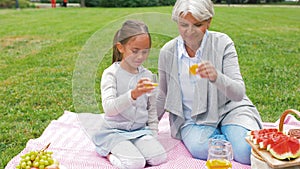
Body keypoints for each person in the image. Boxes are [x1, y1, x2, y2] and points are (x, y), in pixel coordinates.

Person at [156, 0, 263, 165]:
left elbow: (238, 93)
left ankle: (231, 131)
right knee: (201, 148)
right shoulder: (168, 52)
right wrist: (149, 126)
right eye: (184, 25)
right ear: (177, 22)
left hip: (230, 110)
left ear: (209, 21)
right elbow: (162, 93)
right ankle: (226, 135)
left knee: (245, 151)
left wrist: (216, 77)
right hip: (192, 118)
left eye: (197, 25)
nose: (190, 32)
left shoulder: (223, 43)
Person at [93, 20, 167, 169]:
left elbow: (151, 110)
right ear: (121, 48)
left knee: (159, 158)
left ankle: (134, 147)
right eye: (135, 51)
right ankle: (108, 153)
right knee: (135, 163)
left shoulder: (147, 75)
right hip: (114, 132)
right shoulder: (111, 74)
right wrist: (133, 94)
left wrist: (153, 136)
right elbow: (109, 109)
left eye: (145, 51)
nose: (140, 56)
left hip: (139, 131)